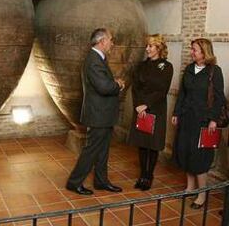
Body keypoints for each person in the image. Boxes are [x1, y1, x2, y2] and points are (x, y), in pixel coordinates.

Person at [66, 28, 125, 195]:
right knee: (91, 150)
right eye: (110, 40)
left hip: (103, 114)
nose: (112, 43)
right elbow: (104, 87)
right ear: (102, 41)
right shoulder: (93, 60)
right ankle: (74, 182)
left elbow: (103, 81)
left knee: (102, 150)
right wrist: (118, 84)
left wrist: (112, 82)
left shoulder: (99, 58)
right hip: (98, 114)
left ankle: (101, 181)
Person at [172, 38, 225, 209]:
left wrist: (213, 120)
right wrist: (176, 112)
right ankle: (190, 188)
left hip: (203, 121)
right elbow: (182, 94)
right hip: (186, 119)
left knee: (200, 158)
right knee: (186, 152)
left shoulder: (214, 71)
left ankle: (202, 194)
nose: (191, 52)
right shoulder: (189, 69)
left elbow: (218, 99)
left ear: (204, 52)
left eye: (195, 50)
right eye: (192, 49)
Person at [128, 34, 173, 191]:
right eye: (147, 46)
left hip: (156, 109)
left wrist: (146, 104)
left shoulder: (167, 67)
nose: (147, 49)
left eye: (150, 46)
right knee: (142, 143)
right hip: (140, 109)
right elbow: (135, 88)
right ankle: (142, 174)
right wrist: (138, 105)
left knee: (152, 145)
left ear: (159, 48)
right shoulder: (140, 66)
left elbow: (162, 90)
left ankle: (149, 176)